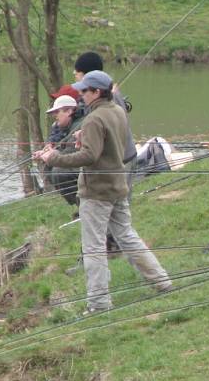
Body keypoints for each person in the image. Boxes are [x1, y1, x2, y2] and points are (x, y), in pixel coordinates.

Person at [33, 71, 172, 313]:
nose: (80, 96)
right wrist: (82, 136)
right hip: (117, 185)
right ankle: (163, 282)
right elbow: (104, 143)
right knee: (128, 237)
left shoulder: (94, 119)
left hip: (97, 191)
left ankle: (98, 304)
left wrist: (54, 158)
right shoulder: (116, 111)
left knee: (93, 248)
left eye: (84, 91)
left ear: (97, 92)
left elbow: (89, 156)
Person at [44, 91, 84, 207]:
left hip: (93, 167)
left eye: (57, 112)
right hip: (81, 164)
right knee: (50, 167)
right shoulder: (65, 126)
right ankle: (80, 206)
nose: (54, 116)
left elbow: (73, 152)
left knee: (59, 171)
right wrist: (46, 151)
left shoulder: (79, 125)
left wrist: (53, 154)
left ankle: (84, 206)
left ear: (69, 111)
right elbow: (62, 145)